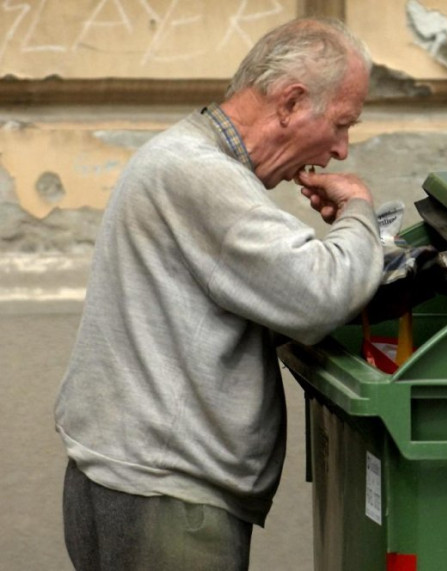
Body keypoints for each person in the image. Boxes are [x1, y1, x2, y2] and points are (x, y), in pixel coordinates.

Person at [54, 17, 383, 570]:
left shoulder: (190, 160)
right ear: (292, 103)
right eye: (341, 124)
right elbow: (321, 294)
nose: (341, 151)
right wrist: (358, 211)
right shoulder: (200, 174)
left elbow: (270, 290)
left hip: (135, 482)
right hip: (166, 498)